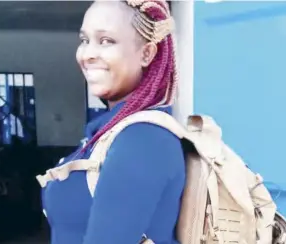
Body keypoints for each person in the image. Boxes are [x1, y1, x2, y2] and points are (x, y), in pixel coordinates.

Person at [41, 1, 185, 244]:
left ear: (146, 53)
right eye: (85, 40)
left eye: (106, 41)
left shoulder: (144, 139)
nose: (87, 54)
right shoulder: (111, 132)